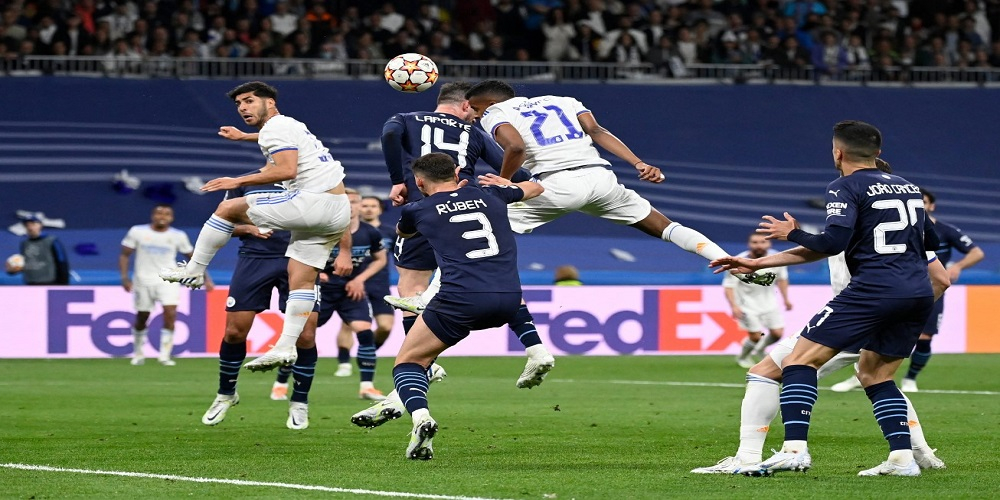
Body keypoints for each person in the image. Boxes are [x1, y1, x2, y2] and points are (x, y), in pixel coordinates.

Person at [692, 158, 949, 474]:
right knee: (877, 377)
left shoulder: (853, 217)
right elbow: (940, 278)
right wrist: (903, 313)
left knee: (768, 371)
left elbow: (827, 244)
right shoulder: (904, 234)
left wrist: (792, 235)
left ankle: (757, 456)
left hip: (857, 312)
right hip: (891, 310)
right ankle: (912, 455)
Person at [463, 80, 775, 287]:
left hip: (555, 185)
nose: (475, 116)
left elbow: (515, 147)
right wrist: (638, 163)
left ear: (488, 102)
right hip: (601, 178)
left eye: (475, 109)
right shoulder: (565, 100)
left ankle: (447, 290)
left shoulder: (496, 112)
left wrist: (505, 182)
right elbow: (597, 131)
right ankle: (735, 264)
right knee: (665, 226)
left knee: (474, 219)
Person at [158, 80, 353, 372]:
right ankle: (286, 346)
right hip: (338, 210)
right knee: (301, 279)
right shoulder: (291, 125)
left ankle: (194, 271)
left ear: (270, 102)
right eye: (239, 103)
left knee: (227, 209)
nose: (242, 107)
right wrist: (243, 137)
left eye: (249, 100)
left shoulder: (276, 128)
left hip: (313, 202)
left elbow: (286, 170)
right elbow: (274, 143)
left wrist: (237, 181)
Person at [379, 81, 555, 389]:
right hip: (473, 208)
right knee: (492, 272)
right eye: (474, 112)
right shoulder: (474, 133)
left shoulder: (405, 118)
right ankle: (535, 347)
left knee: (411, 280)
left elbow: (390, 135)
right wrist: (505, 184)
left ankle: (425, 363)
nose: (476, 116)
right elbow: (520, 174)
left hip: (424, 209)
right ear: (464, 105)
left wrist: (398, 180)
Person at [372, 152, 544, 459]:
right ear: (457, 172)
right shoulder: (491, 194)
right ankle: (536, 348)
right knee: (500, 289)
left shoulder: (417, 209)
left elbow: (404, 232)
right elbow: (536, 188)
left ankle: (421, 418)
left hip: (461, 301)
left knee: (410, 361)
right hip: (510, 300)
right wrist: (504, 183)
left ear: (419, 182)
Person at [831, 187, 985, 394]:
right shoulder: (898, 227)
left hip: (931, 287)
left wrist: (957, 266)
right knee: (874, 333)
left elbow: (976, 252)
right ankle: (860, 375)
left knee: (924, 336)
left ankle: (910, 378)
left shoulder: (945, 230)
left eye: (924, 202)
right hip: (898, 287)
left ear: (932, 206)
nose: (920, 205)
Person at [198, 175, 320, 430]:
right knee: (234, 332)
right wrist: (249, 229)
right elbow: (221, 223)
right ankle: (226, 394)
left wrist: (342, 252)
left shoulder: (313, 179)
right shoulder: (246, 183)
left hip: (302, 257)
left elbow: (335, 217)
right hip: (255, 257)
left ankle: (299, 401)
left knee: (306, 335)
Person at [308, 188, 389, 401]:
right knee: (303, 335)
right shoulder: (321, 229)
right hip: (323, 290)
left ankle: (367, 387)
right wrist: (316, 273)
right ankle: (281, 383)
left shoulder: (370, 232)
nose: (350, 206)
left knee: (365, 331)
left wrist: (359, 279)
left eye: (354, 202)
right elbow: (300, 257)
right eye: (346, 202)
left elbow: (381, 259)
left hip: (351, 290)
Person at [120, 205, 210, 366]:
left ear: (172, 218)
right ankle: (138, 353)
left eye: (167, 214)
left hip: (169, 279)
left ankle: (164, 355)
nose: (162, 216)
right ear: (152, 215)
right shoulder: (137, 231)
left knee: (170, 313)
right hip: (143, 280)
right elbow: (125, 255)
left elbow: (192, 257)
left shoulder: (178, 235)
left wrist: (206, 278)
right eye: (159, 213)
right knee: (142, 316)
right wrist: (125, 277)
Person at [726, 232, 792, 368]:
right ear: (749, 244)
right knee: (756, 336)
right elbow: (729, 286)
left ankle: (760, 349)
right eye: (755, 242)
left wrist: (786, 299)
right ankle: (742, 357)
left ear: (769, 244)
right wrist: (734, 306)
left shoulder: (778, 259)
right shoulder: (737, 261)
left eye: (763, 242)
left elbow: (782, 279)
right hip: (747, 304)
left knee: (777, 333)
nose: (759, 245)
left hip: (769, 303)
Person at [6, 214, 70, 285]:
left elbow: (61, 261)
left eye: (33, 224)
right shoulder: (25, 244)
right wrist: (13, 270)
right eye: (27, 225)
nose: (30, 227)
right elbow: (27, 263)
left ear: (40, 225)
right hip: (31, 282)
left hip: (50, 282)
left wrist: (63, 283)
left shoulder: (51, 241)